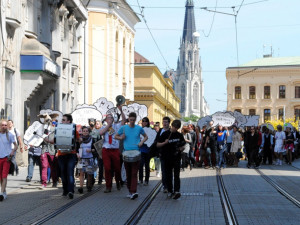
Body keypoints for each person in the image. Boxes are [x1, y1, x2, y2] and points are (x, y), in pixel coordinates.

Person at [115, 112, 148, 200]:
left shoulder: (139, 128)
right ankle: (130, 190)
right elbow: (115, 136)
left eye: (133, 120)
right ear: (128, 119)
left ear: (135, 119)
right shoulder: (124, 128)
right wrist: (121, 138)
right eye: (130, 120)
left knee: (134, 173)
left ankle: (134, 191)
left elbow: (146, 137)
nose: (132, 121)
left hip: (136, 152)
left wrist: (141, 142)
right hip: (126, 153)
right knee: (128, 173)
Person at [99, 105, 125, 193]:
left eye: (111, 118)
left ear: (113, 119)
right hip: (106, 149)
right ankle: (108, 186)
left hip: (115, 149)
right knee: (107, 168)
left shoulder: (116, 126)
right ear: (106, 120)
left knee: (117, 168)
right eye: (108, 118)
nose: (110, 119)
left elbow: (124, 121)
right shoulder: (104, 127)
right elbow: (101, 133)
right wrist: (108, 125)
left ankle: (118, 181)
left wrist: (121, 110)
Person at [157, 120, 185, 200]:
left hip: (176, 157)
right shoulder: (165, 134)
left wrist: (181, 148)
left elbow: (183, 145)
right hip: (167, 157)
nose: (175, 129)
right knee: (168, 175)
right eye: (174, 127)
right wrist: (164, 143)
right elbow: (158, 145)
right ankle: (170, 190)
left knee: (177, 175)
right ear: (171, 125)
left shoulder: (179, 135)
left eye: (176, 128)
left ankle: (176, 191)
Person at [57, 114, 79, 199]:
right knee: (63, 173)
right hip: (61, 155)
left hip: (71, 154)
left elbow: (78, 140)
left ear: (68, 121)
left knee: (70, 172)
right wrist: (45, 138)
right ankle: (65, 190)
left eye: (63, 120)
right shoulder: (58, 129)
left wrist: (79, 140)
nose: (62, 121)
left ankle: (71, 191)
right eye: (62, 120)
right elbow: (54, 140)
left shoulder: (74, 130)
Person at [0, 120, 18, 201]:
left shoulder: (10, 135)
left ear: (7, 126)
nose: (4, 126)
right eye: (2, 125)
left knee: (4, 176)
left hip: (7, 158)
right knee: (0, 177)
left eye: (5, 125)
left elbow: (15, 145)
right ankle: (4, 192)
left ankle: (1, 193)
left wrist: (12, 152)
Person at [39, 115, 58, 189]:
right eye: (45, 121)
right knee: (44, 166)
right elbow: (37, 140)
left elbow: (57, 140)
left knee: (53, 167)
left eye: (48, 121)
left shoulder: (54, 129)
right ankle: (44, 183)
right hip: (44, 150)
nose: (46, 122)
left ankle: (54, 181)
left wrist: (57, 151)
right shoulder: (41, 130)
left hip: (52, 150)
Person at [77, 126, 96, 193]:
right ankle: (81, 187)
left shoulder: (92, 139)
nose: (85, 132)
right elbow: (76, 148)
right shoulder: (79, 140)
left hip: (89, 158)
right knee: (81, 173)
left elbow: (95, 149)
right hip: (82, 159)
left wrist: (91, 150)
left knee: (89, 174)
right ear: (82, 132)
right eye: (84, 131)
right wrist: (77, 154)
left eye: (86, 131)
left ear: (89, 132)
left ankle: (89, 186)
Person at [90, 120, 103, 184]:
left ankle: (100, 180)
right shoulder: (92, 132)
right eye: (96, 124)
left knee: (100, 166)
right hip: (93, 151)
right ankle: (93, 179)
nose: (96, 125)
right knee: (93, 165)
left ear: (100, 124)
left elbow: (101, 142)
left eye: (98, 124)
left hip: (99, 151)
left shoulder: (101, 131)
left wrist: (100, 153)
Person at [139, 117, 151, 185]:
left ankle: (146, 180)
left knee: (147, 166)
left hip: (148, 150)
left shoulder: (150, 130)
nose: (144, 122)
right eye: (143, 121)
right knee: (140, 165)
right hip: (141, 150)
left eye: (146, 121)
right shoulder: (140, 130)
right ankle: (140, 179)